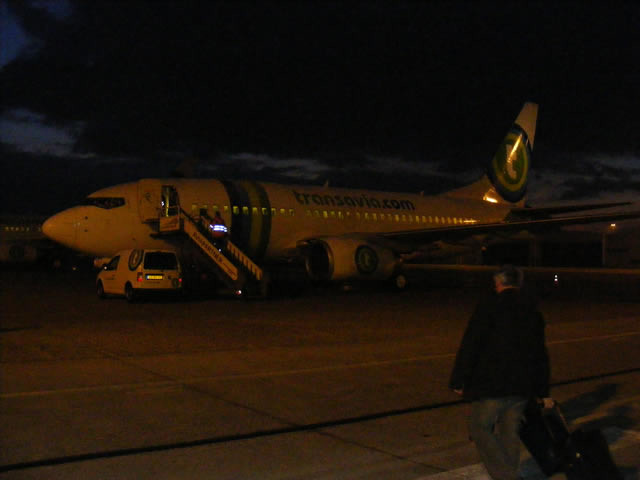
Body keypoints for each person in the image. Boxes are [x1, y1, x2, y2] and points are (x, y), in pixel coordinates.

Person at [449, 265, 551, 480]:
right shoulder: (532, 311)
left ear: (498, 283)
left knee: (479, 427)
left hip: (492, 382)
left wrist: (459, 379)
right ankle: (508, 473)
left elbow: (471, 344)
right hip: (522, 384)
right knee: (509, 432)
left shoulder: (489, 307)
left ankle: (506, 476)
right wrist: (542, 390)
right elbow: (540, 353)